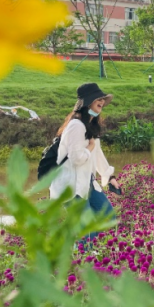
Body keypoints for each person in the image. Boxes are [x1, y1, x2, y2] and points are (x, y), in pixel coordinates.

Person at [49, 82, 121, 222]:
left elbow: (97, 155)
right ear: (87, 103)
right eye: (98, 98)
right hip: (71, 185)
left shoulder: (91, 125)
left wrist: (110, 177)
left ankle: (93, 244)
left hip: (86, 181)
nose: (102, 101)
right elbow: (76, 158)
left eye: (103, 99)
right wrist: (89, 148)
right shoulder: (76, 126)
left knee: (109, 219)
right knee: (87, 232)